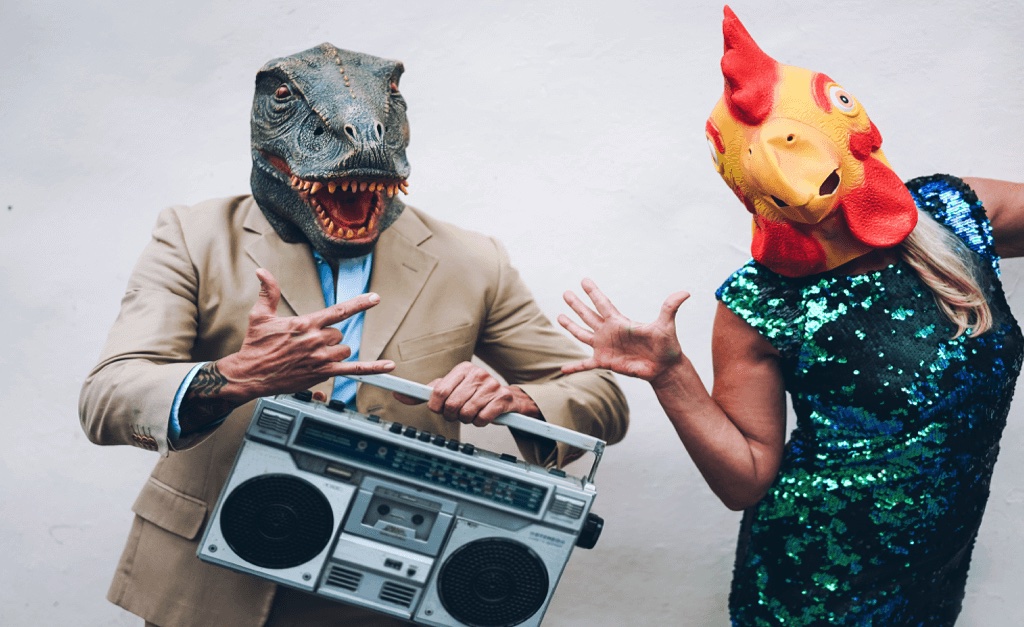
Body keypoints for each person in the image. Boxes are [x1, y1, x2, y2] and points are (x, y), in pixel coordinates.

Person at [558, 2, 1024, 624]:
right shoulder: (760, 301)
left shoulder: (952, 216)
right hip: (811, 589)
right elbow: (747, 478)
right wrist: (671, 375)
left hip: (930, 578)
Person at [78, 43, 628, 627]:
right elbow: (108, 396)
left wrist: (521, 403)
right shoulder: (192, 235)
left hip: (396, 582)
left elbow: (600, 394)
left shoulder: (472, 259)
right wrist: (236, 376)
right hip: (215, 575)